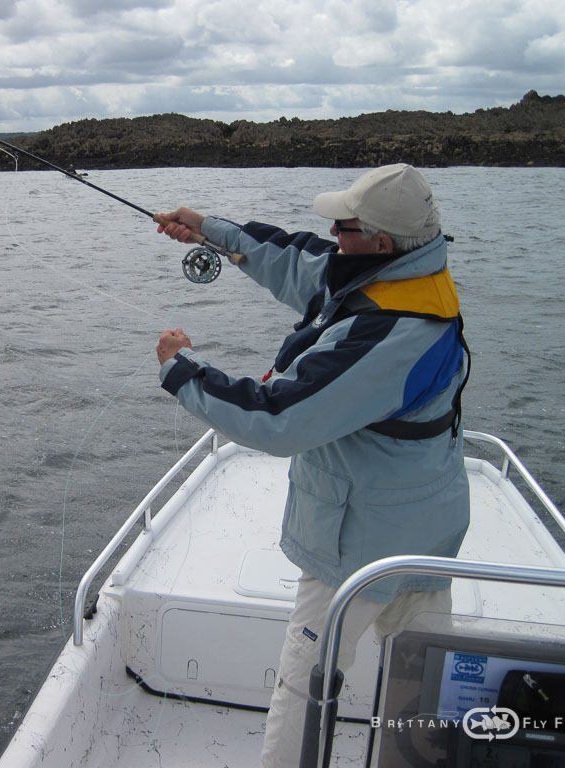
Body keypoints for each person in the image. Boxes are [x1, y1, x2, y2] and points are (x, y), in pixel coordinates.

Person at [154, 164, 471, 768]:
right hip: (428, 530)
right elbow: (297, 262)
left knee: (305, 684)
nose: (331, 231)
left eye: (344, 225)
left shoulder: (392, 333)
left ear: (379, 240)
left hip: (359, 544)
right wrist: (208, 230)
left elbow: (279, 419)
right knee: (425, 692)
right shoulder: (402, 273)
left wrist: (181, 369)